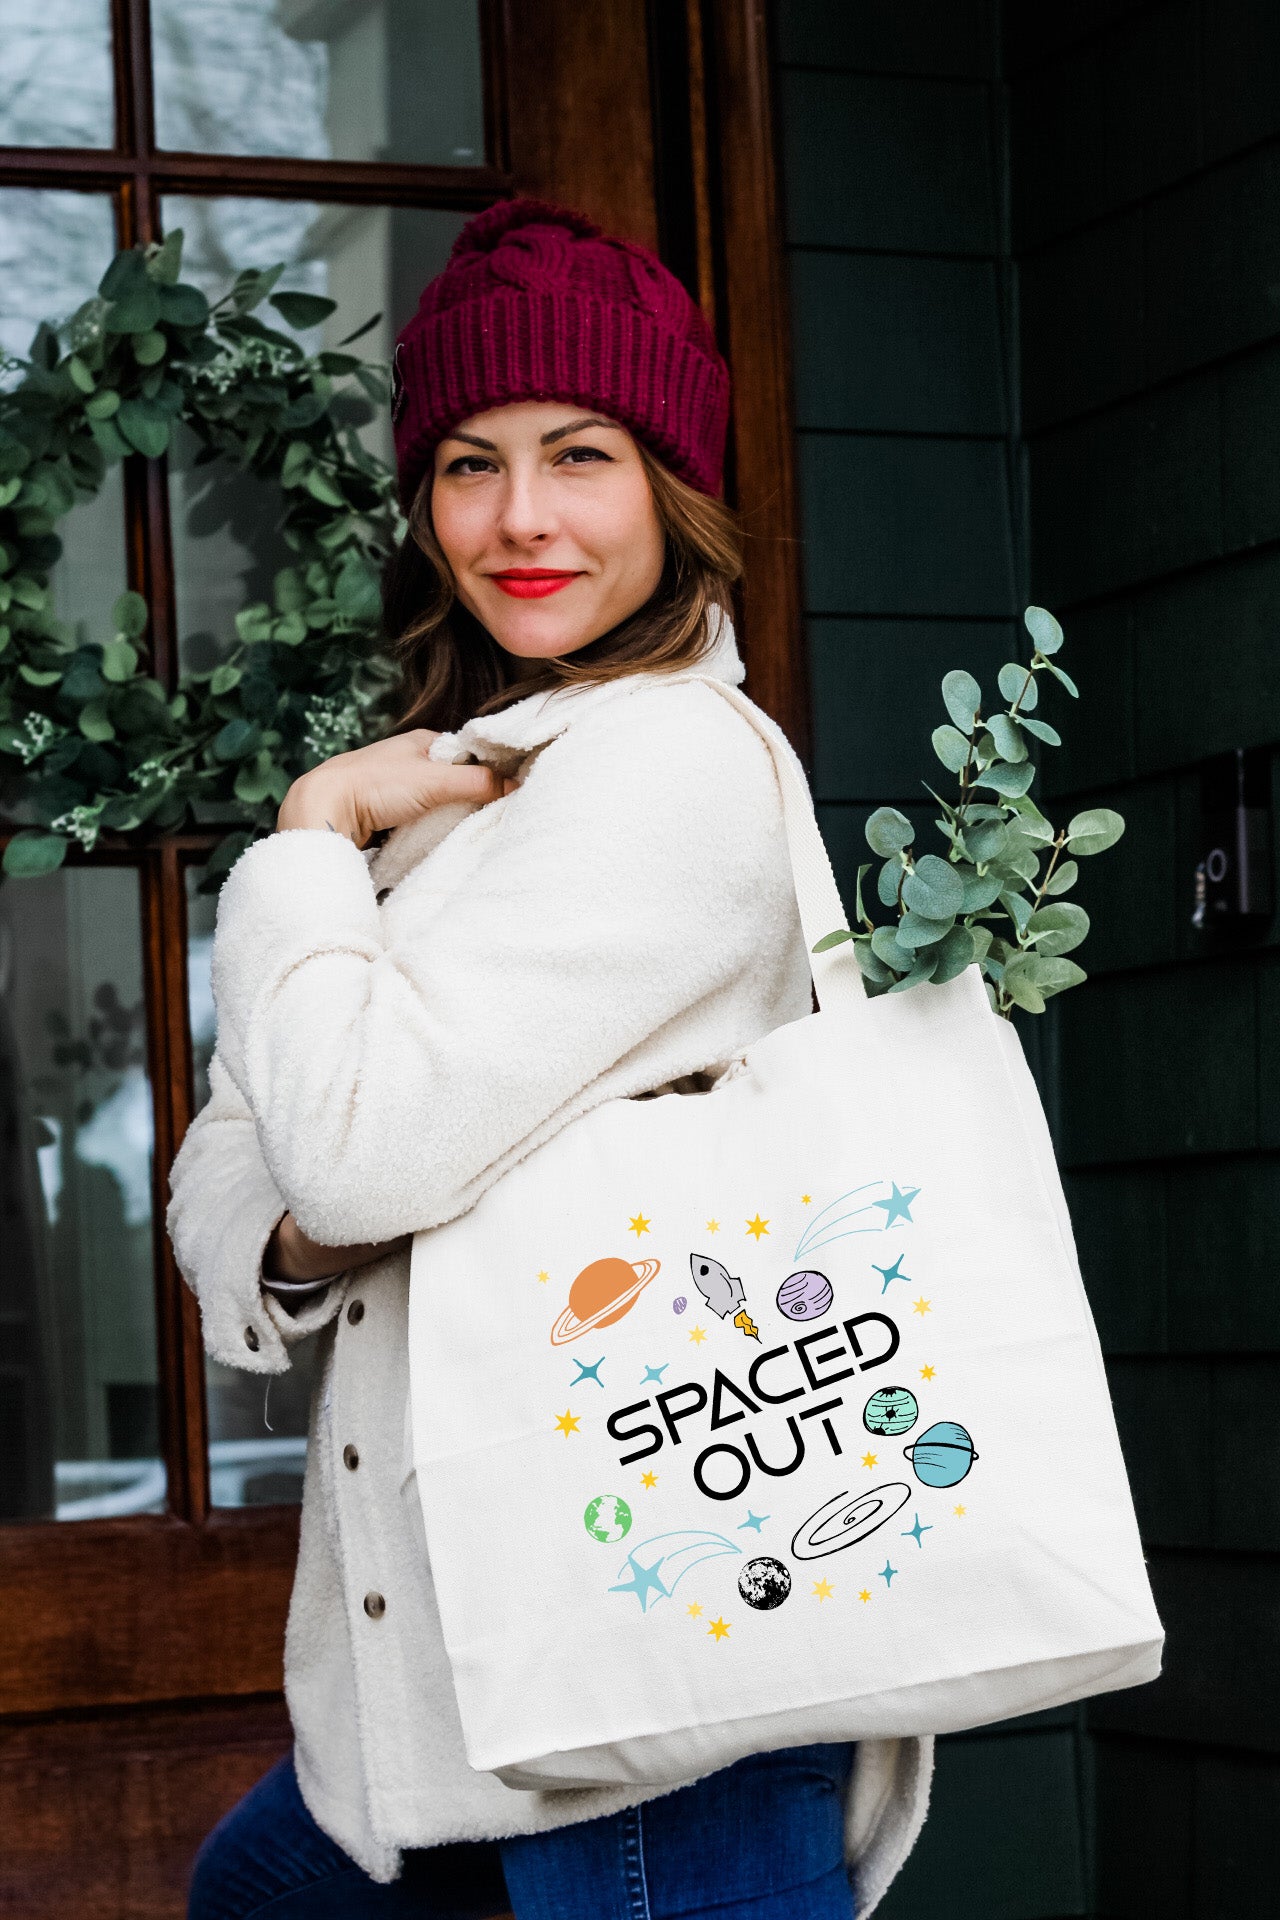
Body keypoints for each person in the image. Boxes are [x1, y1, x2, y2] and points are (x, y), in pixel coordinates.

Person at [171, 199, 932, 1920]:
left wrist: (304, 836)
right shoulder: (465, 789)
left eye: (578, 454)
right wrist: (312, 1203)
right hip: (450, 1683)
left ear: (672, 485)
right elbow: (238, 1173)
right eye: (466, 462)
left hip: (651, 1680)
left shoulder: (663, 767)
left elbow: (348, 1153)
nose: (518, 519)